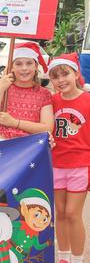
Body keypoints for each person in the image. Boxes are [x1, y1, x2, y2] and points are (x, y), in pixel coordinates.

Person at [48, 54, 89, 263]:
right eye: (55, 76)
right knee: (61, 214)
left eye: (65, 74)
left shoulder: (88, 100)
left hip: (81, 165)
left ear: (76, 73)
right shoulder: (52, 101)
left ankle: (78, 257)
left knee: (73, 214)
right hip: (56, 163)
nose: (61, 80)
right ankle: (63, 256)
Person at [0, 42, 53, 142]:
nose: (24, 68)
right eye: (18, 64)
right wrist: (0, 90)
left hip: (28, 148)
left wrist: (15, 122)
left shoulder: (44, 94)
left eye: (29, 63)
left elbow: (47, 128)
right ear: (12, 67)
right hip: (0, 147)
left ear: (36, 66)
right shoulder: (0, 87)